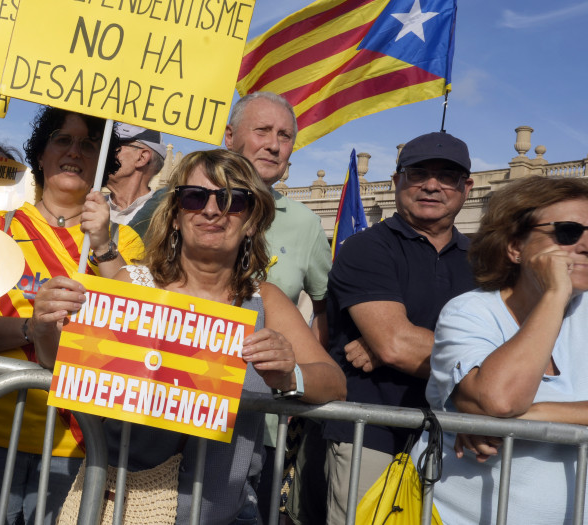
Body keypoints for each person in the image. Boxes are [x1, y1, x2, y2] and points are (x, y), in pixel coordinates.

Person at [31, 149, 346, 524]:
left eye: (231, 200)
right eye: (195, 197)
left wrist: (289, 375)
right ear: (176, 215)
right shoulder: (134, 285)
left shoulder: (266, 301)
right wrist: (44, 325)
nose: (211, 211)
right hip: (124, 507)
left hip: (227, 510)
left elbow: (335, 384)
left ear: (251, 220)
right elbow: (61, 363)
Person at [0, 106, 144, 525]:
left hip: (77, 444)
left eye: (89, 144)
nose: (74, 152)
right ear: (40, 154)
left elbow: (137, 333)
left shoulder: (124, 241)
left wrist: (103, 246)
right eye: (62, 139)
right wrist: (31, 328)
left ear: (103, 164)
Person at [320, 132, 477, 525]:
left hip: (458, 439)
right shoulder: (365, 247)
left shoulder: (485, 259)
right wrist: (486, 366)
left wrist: (397, 342)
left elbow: (522, 345)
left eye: (448, 176)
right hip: (372, 434)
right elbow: (396, 345)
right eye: (418, 173)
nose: (431, 184)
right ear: (396, 182)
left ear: (466, 188)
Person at [416, 176, 588, 523]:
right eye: (568, 232)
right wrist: (555, 295)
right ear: (515, 247)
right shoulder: (469, 312)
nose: (585, 245)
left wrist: (522, 418)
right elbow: (500, 400)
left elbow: (502, 411)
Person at [224, 91, 331, 523]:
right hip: (174, 405)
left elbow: (326, 310)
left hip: (262, 421)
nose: (273, 144)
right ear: (230, 137)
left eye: (285, 135)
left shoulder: (305, 224)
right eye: (262, 130)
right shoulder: (178, 202)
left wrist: (299, 368)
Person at [106, 122, 166, 238]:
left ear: (141, 158)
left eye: (113, 147)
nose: (102, 153)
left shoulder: (166, 218)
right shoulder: (84, 208)